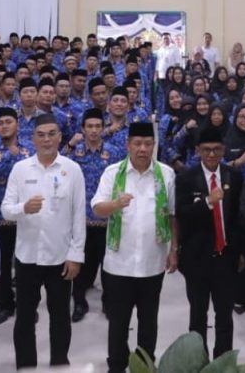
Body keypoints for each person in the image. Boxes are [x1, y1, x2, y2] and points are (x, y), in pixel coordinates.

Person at [91, 122, 178, 373]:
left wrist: (174, 249)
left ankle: (144, 366)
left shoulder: (166, 174)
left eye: (148, 144)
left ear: (154, 145)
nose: (142, 149)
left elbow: (173, 214)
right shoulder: (112, 173)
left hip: (152, 263)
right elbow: (97, 208)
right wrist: (115, 204)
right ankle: (117, 366)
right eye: (137, 143)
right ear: (128, 144)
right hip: (119, 263)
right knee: (118, 322)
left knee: (148, 321)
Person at [0, 114, 86, 368]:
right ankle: (26, 366)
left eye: (51, 134)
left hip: (60, 257)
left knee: (60, 317)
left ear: (60, 137)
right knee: (25, 317)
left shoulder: (72, 170)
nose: (46, 139)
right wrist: (23, 208)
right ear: (33, 138)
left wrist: (76, 255)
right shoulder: (20, 169)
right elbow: (5, 209)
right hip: (27, 257)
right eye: (41, 135)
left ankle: (59, 364)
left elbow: (79, 216)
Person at [174, 126, 243, 359]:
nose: (211, 154)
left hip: (226, 257)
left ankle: (223, 362)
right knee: (198, 316)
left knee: (224, 316)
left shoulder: (234, 176)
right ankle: (198, 361)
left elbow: (239, 217)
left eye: (216, 149)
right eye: (206, 150)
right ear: (197, 151)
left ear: (223, 150)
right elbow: (182, 214)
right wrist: (207, 202)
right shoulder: (185, 178)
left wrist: (240, 252)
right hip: (197, 258)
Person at [65, 108, 123, 323]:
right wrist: (70, 144)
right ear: (83, 128)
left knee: (109, 264)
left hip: (106, 218)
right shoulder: (74, 152)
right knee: (79, 264)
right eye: (89, 126)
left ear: (103, 128)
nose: (94, 130)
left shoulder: (114, 152)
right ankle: (79, 302)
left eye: (98, 126)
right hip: (80, 218)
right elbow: (58, 167)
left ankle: (109, 303)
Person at [0, 107, 34, 326]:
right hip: (0, 217)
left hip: (25, 215)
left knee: (26, 262)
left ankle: (27, 305)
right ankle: (5, 304)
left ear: (17, 124)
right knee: (1, 263)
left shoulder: (30, 148)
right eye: (0, 123)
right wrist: (8, 156)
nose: (4, 126)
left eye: (8, 122)